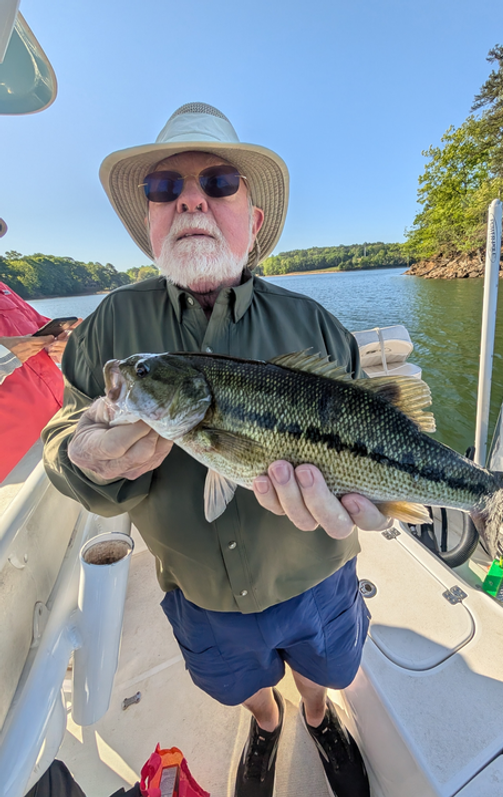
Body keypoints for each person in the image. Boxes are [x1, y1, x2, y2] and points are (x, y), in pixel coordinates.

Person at [43, 103, 391, 797]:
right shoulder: (111, 325)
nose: (191, 198)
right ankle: (266, 723)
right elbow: (63, 431)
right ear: (150, 224)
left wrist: (381, 501)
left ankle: (319, 716)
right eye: (164, 188)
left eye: (220, 181)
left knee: (324, 667)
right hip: (201, 593)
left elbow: (374, 440)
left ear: (253, 221)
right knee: (239, 682)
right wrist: (82, 453)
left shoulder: (317, 326)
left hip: (317, 575)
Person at [0, 279, 76, 482]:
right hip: (15, 464)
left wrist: (67, 340)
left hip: (64, 425)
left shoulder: (3, 288)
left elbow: (42, 326)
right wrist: (3, 355)